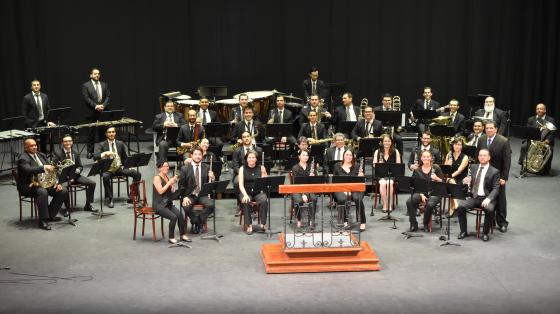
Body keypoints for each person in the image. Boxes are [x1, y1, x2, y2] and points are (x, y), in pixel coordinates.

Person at [17, 139, 68, 230]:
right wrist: (44, 167)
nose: (34, 147)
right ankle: (43, 220)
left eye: (35, 145)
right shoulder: (23, 159)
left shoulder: (41, 155)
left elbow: (51, 171)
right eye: (31, 146)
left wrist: (56, 182)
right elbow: (28, 170)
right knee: (42, 192)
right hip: (28, 185)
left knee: (62, 190)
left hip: (44, 183)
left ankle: (50, 215)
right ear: (26, 147)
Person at [455, 149, 500, 241]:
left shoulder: (495, 171)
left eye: (484, 155)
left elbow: (496, 188)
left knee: (489, 209)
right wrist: (465, 181)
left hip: (486, 198)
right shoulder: (473, 167)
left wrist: (489, 199)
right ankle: (463, 231)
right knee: (460, 207)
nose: (482, 157)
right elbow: (469, 181)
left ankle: (485, 233)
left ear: (489, 157)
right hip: (474, 197)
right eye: (480, 155)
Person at [93, 126, 142, 208]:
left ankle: (132, 196)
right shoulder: (101, 144)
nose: (111, 134)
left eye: (113, 132)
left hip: (119, 168)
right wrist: (104, 154)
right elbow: (95, 156)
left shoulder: (120, 143)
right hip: (107, 169)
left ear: (115, 133)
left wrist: (128, 166)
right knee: (105, 177)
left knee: (137, 174)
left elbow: (125, 158)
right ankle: (110, 198)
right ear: (106, 134)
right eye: (109, 132)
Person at [477, 121, 511, 233]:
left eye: (491, 128)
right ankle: (490, 221)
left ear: (496, 129)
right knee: (487, 196)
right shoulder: (481, 139)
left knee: (500, 200)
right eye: (487, 128)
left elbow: (507, 161)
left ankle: (502, 223)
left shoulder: (503, 141)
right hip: (485, 174)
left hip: (498, 176)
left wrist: (504, 177)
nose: (489, 130)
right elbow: (478, 156)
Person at [53, 135, 97, 212]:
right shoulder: (57, 153)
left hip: (75, 176)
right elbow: (54, 168)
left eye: (69, 141)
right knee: (64, 188)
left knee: (92, 183)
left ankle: (88, 205)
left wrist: (78, 170)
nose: (68, 143)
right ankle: (67, 208)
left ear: (72, 142)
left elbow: (80, 166)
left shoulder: (75, 152)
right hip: (63, 178)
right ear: (62, 143)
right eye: (66, 141)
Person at [406, 150, 444, 232]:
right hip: (421, 192)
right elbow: (415, 185)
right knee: (409, 201)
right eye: (424, 157)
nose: (426, 158)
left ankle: (425, 223)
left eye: (428, 157)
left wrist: (436, 178)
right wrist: (421, 194)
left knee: (429, 204)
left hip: (435, 193)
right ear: (421, 158)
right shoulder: (417, 170)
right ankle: (413, 223)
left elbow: (443, 182)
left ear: (431, 158)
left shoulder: (436, 168)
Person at [153, 160, 190, 244]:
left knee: (180, 215)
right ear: (159, 168)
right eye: (164, 166)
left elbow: (170, 191)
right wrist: (169, 183)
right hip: (159, 205)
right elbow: (160, 191)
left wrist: (172, 186)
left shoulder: (166, 177)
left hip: (167, 202)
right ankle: (171, 237)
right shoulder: (157, 178)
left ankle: (182, 235)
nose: (167, 168)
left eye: (167, 166)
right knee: (173, 217)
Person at [179, 147, 215, 234]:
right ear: (191, 155)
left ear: (202, 156)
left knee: (211, 204)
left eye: (199, 154)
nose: (197, 156)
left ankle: (198, 220)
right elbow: (181, 185)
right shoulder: (185, 168)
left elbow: (211, 184)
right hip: (190, 195)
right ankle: (197, 222)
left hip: (202, 194)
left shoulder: (207, 167)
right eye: (195, 154)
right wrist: (184, 197)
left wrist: (213, 177)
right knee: (186, 206)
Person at [332, 149, 366, 231]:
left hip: (356, 188)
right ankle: (345, 221)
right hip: (340, 188)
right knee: (342, 198)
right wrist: (344, 189)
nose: (348, 157)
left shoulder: (358, 166)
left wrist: (361, 176)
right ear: (343, 155)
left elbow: (362, 182)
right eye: (347, 154)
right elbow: (334, 181)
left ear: (353, 156)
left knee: (357, 198)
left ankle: (363, 222)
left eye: (350, 155)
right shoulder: (337, 165)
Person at [519, 103, 555, 175]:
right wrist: (532, 139)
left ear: (545, 110)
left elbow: (552, 133)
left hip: (545, 141)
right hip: (532, 140)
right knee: (524, 146)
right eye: (537, 109)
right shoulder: (531, 119)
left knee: (548, 150)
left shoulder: (550, 119)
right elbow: (528, 131)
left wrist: (547, 140)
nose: (539, 110)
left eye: (541, 109)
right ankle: (524, 166)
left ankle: (545, 169)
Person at [82, 68, 110, 158]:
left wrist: (103, 105)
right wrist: (96, 106)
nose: (97, 75)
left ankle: (104, 151)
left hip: (102, 112)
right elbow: (86, 98)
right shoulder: (86, 85)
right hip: (91, 112)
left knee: (102, 133)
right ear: (91, 75)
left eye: (98, 74)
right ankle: (90, 152)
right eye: (95, 74)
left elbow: (108, 96)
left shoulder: (104, 84)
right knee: (91, 133)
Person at [238, 150, 269, 234]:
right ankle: (249, 225)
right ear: (246, 159)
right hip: (246, 191)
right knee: (246, 201)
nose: (251, 159)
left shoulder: (260, 168)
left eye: (253, 157)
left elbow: (265, 182)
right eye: (249, 157)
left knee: (264, 200)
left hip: (258, 191)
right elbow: (240, 184)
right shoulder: (242, 168)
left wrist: (264, 172)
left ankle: (263, 223)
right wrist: (245, 195)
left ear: (256, 159)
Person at [21, 79, 56, 153]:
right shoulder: (27, 98)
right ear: (31, 87)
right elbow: (24, 113)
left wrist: (47, 121)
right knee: (33, 144)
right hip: (32, 125)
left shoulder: (44, 96)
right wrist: (30, 123)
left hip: (43, 123)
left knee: (43, 143)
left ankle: (43, 157)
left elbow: (48, 109)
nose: (36, 86)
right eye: (34, 85)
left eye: (38, 85)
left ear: (40, 86)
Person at [372, 134, 402, 213]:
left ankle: (389, 204)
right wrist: (378, 163)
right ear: (382, 142)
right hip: (380, 175)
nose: (387, 143)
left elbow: (398, 166)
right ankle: (385, 204)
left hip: (392, 175)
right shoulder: (377, 152)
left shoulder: (396, 151)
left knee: (389, 183)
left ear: (391, 142)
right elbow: (374, 165)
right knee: (382, 183)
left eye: (389, 141)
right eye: (385, 141)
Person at [291, 149, 318, 229]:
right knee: (299, 200)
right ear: (299, 157)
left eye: (307, 155)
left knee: (314, 198)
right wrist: (303, 194)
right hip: (297, 190)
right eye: (303, 155)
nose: (305, 157)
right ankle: (299, 220)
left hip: (309, 189)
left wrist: (314, 177)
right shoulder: (295, 168)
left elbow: (315, 183)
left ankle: (311, 220)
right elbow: (296, 183)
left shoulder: (311, 167)